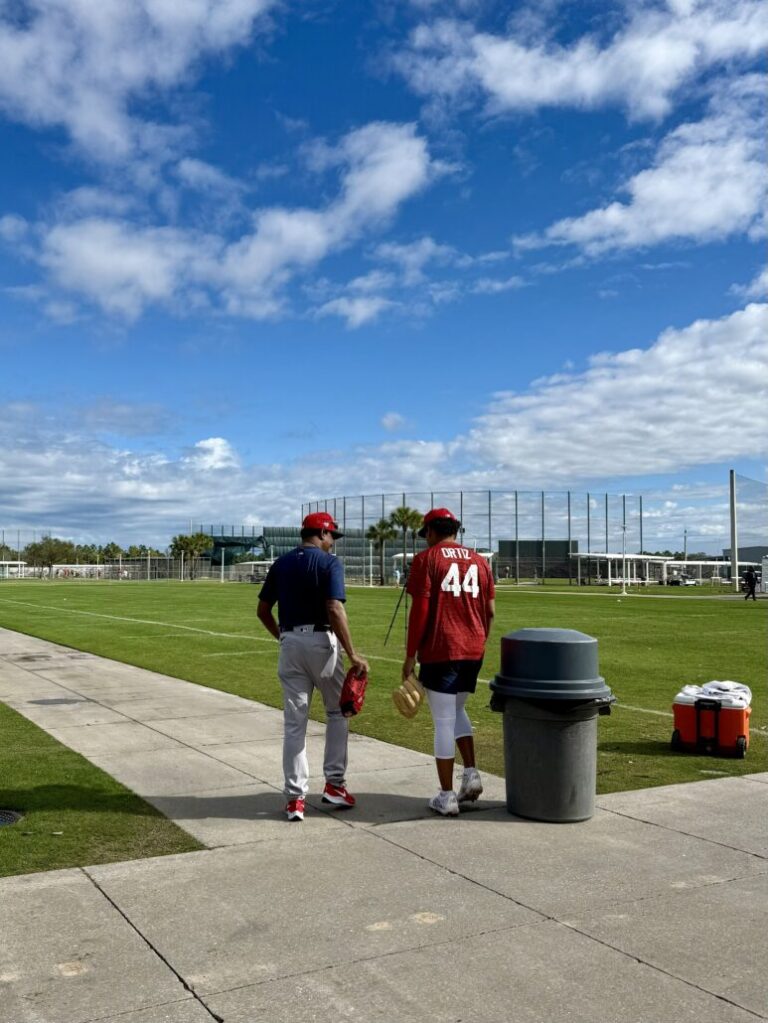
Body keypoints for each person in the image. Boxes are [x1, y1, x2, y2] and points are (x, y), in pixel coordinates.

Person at [257, 512, 369, 822]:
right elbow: (334, 608)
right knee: (337, 712)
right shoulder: (327, 562)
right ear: (320, 533)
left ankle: (295, 799)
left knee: (295, 725)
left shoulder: (281, 563)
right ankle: (334, 784)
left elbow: (263, 610)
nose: (333, 542)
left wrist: (281, 635)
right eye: (331, 536)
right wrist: (353, 653)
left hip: (291, 643)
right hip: (322, 642)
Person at [402, 507, 495, 816]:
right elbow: (490, 610)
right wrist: (479, 640)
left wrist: (410, 654)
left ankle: (446, 795)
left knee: (442, 720)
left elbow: (421, 611)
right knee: (457, 710)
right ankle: (470, 774)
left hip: (443, 647)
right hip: (473, 647)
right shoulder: (480, 561)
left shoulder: (426, 559)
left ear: (431, 531)